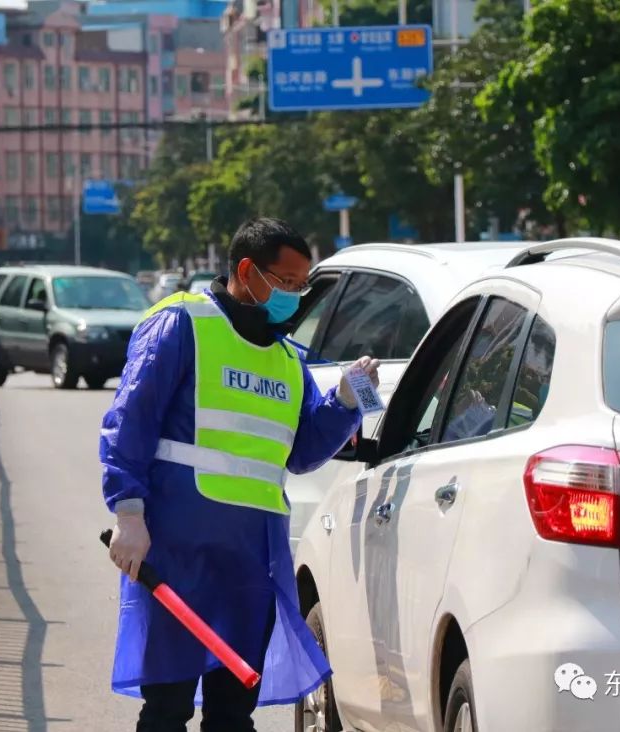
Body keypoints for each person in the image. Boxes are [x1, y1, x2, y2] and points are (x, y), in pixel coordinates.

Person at [100, 217, 381, 731]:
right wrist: (129, 512)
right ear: (248, 271)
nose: (295, 296)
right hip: (178, 553)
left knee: (233, 712)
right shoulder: (182, 324)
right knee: (168, 708)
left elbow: (300, 453)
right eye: (287, 282)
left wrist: (345, 399)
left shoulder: (286, 360)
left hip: (251, 561)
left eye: (302, 286)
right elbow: (130, 419)